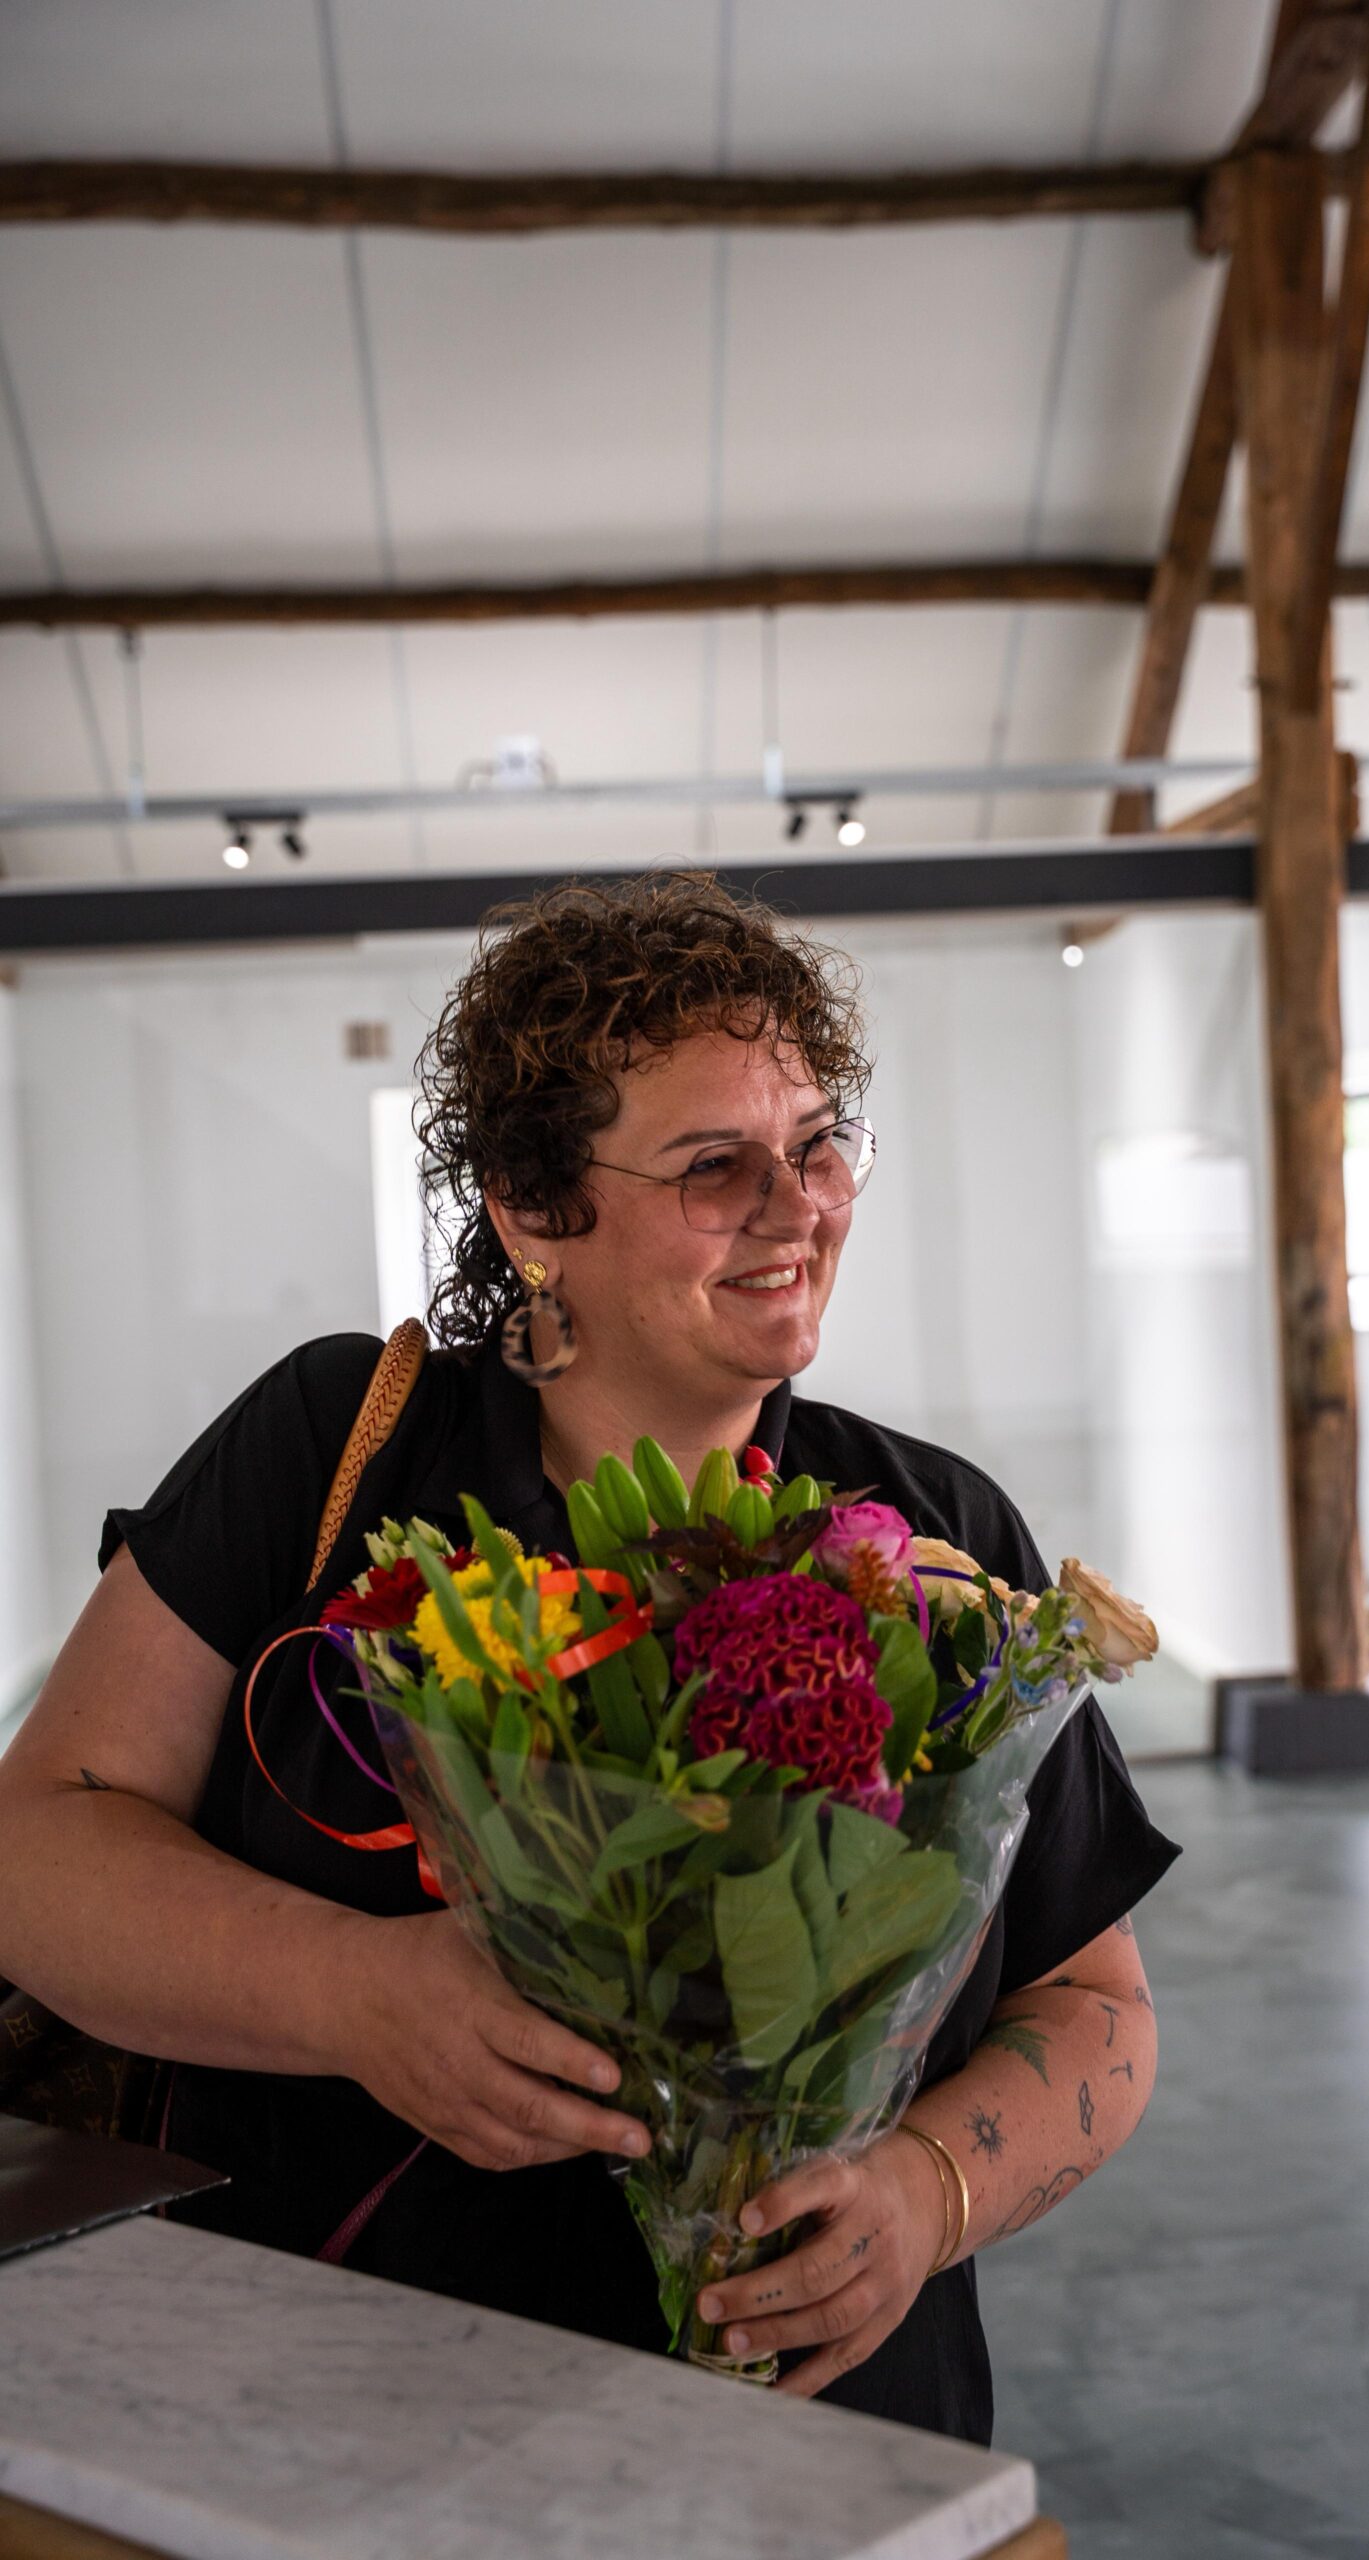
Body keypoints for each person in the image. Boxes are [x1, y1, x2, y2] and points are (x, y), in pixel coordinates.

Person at [0, 874, 1179, 2446]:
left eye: (819, 1145)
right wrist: (351, 1994)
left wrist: (923, 2192)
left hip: (813, 2444)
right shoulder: (336, 1451)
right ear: (532, 1206)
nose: (799, 1208)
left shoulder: (932, 1536)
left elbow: (1098, 2006)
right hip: (330, 2423)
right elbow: (34, 1848)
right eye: (715, 1166)